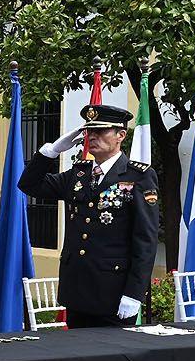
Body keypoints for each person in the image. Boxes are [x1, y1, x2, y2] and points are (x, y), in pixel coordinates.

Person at [19, 102, 160, 328]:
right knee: (77, 358)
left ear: (120, 135)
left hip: (113, 293)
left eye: (100, 131)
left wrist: (134, 293)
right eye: (89, 131)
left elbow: (145, 240)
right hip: (77, 291)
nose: (92, 136)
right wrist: (50, 152)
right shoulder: (79, 173)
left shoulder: (138, 176)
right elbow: (29, 185)